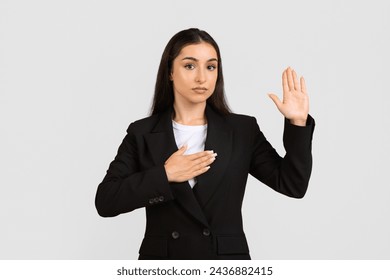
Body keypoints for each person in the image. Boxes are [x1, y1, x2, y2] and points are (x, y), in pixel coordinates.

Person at [95, 28, 315, 260]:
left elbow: (293, 185)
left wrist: (297, 121)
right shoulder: (142, 132)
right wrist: (164, 174)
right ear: (170, 71)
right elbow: (106, 201)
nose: (202, 77)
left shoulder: (241, 130)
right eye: (190, 65)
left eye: (211, 67)